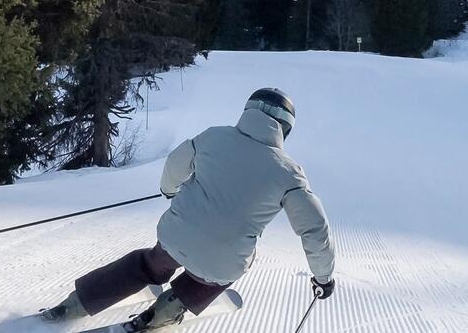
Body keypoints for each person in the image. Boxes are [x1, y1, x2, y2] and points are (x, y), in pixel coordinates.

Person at [39, 88, 337, 330]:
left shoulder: (213, 136)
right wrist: (323, 278)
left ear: (247, 112)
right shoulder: (289, 173)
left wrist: (170, 191)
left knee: (151, 261)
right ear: (286, 129)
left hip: (175, 237)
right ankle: (162, 313)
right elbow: (315, 229)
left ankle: (76, 303)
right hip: (222, 259)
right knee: (226, 266)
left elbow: (174, 164)